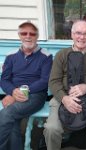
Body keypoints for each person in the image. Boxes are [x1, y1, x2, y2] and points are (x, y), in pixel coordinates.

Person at [43, 20, 86, 150]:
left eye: (85, 34)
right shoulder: (61, 55)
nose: (81, 37)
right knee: (51, 128)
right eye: (78, 33)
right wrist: (65, 99)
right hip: (63, 97)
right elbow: (53, 81)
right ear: (72, 35)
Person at [0, 21, 53, 150]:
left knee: (6, 114)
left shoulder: (46, 56)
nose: (28, 36)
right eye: (24, 33)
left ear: (37, 36)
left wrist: (20, 93)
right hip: (14, 93)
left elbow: (44, 81)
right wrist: (12, 92)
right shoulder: (11, 56)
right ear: (19, 35)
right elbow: (4, 79)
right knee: (12, 122)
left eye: (32, 33)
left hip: (36, 95)